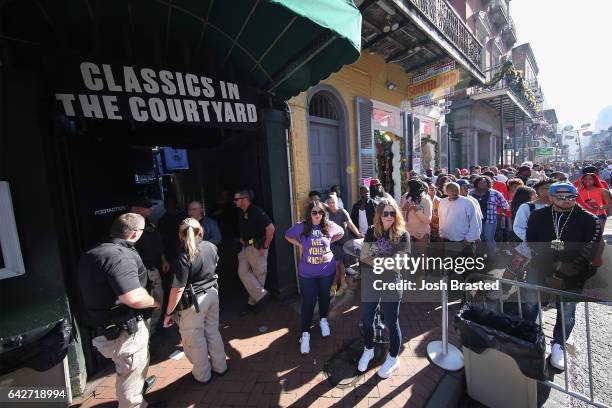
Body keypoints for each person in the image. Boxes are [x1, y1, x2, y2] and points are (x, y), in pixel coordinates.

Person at [77, 213, 163, 408]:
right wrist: (154, 302)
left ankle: (137, 389)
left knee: (129, 370)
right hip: (124, 333)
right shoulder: (120, 257)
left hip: (103, 328)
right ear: (134, 234)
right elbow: (132, 297)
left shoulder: (92, 253)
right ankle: (135, 402)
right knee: (129, 377)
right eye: (142, 231)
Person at [526, 182, 602, 370]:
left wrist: (567, 267)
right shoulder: (537, 216)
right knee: (530, 303)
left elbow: (591, 247)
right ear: (550, 197)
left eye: (571, 197)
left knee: (566, 310)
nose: (566, 200)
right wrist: (553, 265)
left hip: (574, 271)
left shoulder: (589, 219)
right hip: (540, 266)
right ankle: (529, 339)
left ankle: (558, 344)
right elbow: (531, 242)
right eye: (561, 197)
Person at [163, 218, 227, 384]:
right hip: (213, 293)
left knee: (194, 338)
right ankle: (221, 366)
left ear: (180, 235)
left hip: (194, 301)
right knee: (213, 331)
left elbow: (177, 289)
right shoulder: (211, 247)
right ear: (202, 231)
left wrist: (169, 312)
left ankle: (202, 375)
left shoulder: (183, 256)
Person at [357, 198, 410, 379]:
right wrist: (385, 260)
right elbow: (364, 257)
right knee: (367, 319)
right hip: (371, 282)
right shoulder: (372, 232)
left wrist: (376, 260)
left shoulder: (403, 235)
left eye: (392, 212)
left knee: (390, 323)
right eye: (385, 213)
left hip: (391, 283)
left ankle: (393, 357)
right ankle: (369, 349)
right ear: (379, 215)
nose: (389, 216)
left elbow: (399, 265)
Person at [285, 201, 344, 354]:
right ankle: (305, 334)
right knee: (309, 301)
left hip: (327, 270)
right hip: (307, 273)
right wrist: (299, 244)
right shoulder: (302, 226)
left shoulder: (329, 225)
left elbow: (341, 232)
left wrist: (330, 241)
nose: (318, 215)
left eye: (321, 213)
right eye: (314, 212)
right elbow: (287, 235)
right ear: (309, 213)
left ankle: (323, 320)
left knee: (325, 297)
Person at [129, 198, 170, 335]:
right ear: (136, 208)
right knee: (146, 305)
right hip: (141, 273)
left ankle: (152, 332)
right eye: (147, 207)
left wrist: (163, 260)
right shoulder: (129, 226)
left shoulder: (149, 224)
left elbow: (159, 244)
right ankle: (146, 337)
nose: (150, 210)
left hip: (155, 269)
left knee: (158, 300)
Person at [234, 190, 275, 315]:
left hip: (257, 248)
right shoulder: (243, 212)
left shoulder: (256, 211)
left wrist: (266, 246)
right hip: (246, 248)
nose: (234, 201)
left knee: (258, 275)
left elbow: (271, 228)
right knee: (242, 272)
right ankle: (262, 296)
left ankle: (253, 304)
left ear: (244, 199)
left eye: (236, 199)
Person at [326, 193, 362, 296]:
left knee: (336, 264)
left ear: (337, 202)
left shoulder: (342, 212)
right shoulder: (327, 212)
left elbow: (350, 224)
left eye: (333, 202)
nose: (332, 205)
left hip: (342, 243)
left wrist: (358, 234)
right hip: (332, 243)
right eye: (329, 203)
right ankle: (343, 283)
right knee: (340, 265)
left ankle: (333, 285)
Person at [469, 176, 509, 259]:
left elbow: (505, 205)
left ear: (488, 184)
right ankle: (479, 257)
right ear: (476, 184)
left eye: (485, 182)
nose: (483, 184)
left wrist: (501, 214)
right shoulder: (471, 193)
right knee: (478, 239)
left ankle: (491, 257)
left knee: (488, 239)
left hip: (490, 221)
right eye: (480, 183)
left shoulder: (495, 193)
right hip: (475, 221)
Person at [400, 179, 432, 244]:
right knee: (409, 253)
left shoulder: (425, 200)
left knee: (421, 254)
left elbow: (428, 220)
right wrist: (402, 208)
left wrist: (416, 209)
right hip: (407, 231)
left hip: (421, 232)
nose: (407, 188)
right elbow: (400, 212)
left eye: (408, 187)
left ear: (413, 188)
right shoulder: (405, 196)